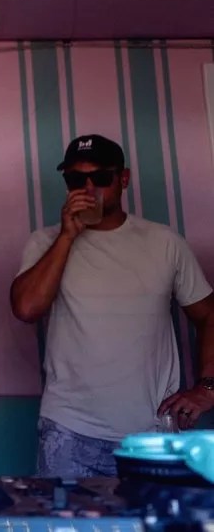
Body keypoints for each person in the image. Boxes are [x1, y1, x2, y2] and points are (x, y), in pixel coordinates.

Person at [11, 134, 214, 478]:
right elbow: (26, 309)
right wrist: (67, 236)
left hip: (151, 432)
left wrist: (206, 389)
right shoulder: (46, 241)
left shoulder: (164, 242)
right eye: (76, 180)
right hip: (69, 430)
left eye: (101, 177)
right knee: (64, 515)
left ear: (124, 179)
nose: (88, 189)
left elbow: (208, 315)